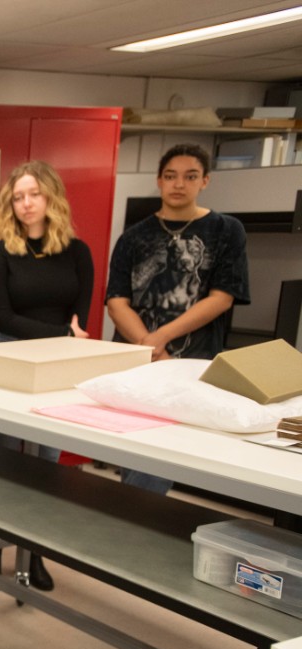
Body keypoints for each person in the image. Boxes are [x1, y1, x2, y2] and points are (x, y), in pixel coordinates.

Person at [106, 143, 250, 493]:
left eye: (190, 176)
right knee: (132, 450)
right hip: (137, 362)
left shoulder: (226, 230)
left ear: (205, 181)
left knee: (165, 453)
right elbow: (117, 302)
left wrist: (161, 338)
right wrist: (149, 346)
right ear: (159, 180)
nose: (179, 184)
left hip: (192, 362)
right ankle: (129, 517)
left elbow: (222, 298)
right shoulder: (133, 237)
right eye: (170, 176)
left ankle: (136, 518)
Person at [0, 160, 94, 591]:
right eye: (18, 197)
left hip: (57, 365)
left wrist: (67, 337)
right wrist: (63, 333)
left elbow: (81, 318)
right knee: (4, 464)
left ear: (51, 197)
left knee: (46, 466)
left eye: (34, 194)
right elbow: (4, 318)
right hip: (7, 358)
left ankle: (34, 553)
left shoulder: (78, 252)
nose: (26, 204)